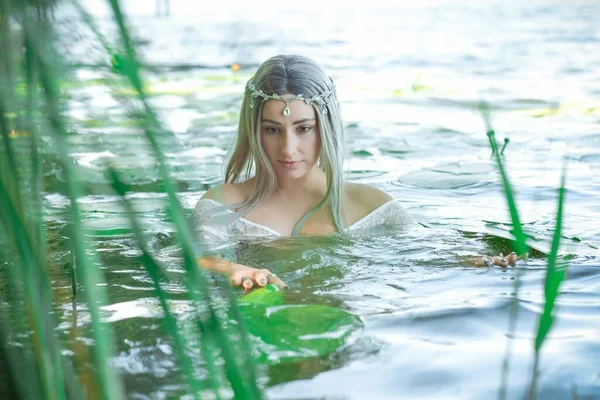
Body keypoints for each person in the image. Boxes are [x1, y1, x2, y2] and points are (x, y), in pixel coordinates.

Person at [193, 55, 516, 290]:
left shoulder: (371, 206)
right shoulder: (224, 203)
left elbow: (429, 248)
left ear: (327, 129)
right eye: (273, 130)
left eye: (304, 128)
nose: (289, 149)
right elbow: (194, 257)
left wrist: (475, 261)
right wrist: (232, 268)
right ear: (253, 130)